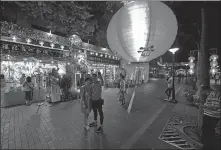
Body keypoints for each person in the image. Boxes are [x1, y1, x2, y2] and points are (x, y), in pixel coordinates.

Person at [201, 85, 220, 150]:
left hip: (213, 116)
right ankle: (206, 144)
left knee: (209, 131)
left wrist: (206, 106)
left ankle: (208, 146)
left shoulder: (218, 95)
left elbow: (215, 107)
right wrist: (205, 105)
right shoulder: (211, 94)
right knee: (205, 129)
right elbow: (207, 102)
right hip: (207, 114)